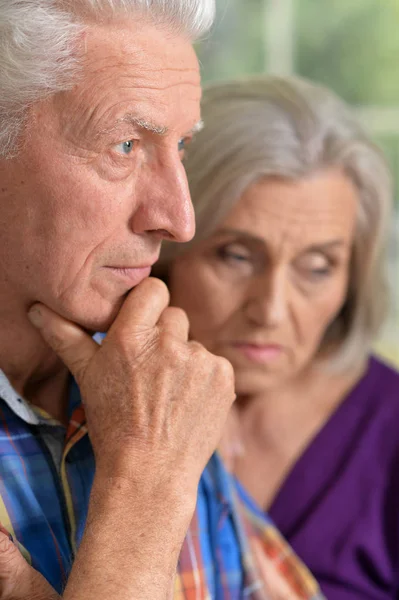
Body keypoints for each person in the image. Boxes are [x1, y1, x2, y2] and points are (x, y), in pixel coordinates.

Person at [0, 3, 323, 600]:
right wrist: (146, 492)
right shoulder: (162, 432)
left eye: (182, 149)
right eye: (124, 145)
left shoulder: (159, 391)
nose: (180, 219)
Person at [155, 74, 399, 599]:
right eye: (236, 256)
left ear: (351, 277)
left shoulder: (390, 431)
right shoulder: (84, 401)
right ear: (168, 249)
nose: (269, 311)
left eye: (316, 267)